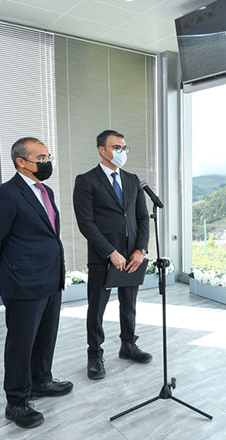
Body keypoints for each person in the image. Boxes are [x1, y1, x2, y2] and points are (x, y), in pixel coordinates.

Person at [0, 137, 73, 429]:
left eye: (48, 156)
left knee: (46, 335)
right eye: (41, 157)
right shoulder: (6, 195)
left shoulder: (46, 191)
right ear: (21, 161)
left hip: (50, 277)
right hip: (22, 282)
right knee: (21, 343)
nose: (47, 162)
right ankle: (17, 401)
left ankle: (41, 381)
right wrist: (7, 271)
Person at [73, 129, 152, 380]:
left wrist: (140, 249)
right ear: (102, 150)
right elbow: (86, 223)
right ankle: (95, 355)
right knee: (97, 308)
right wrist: (110, 252)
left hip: (132, 256)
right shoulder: (86, 181)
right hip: (103, 256)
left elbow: (142, 218)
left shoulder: (132, 180)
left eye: (124, 148)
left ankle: (128, 345)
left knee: (129, 305)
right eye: (117, 147)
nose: (122, 152)